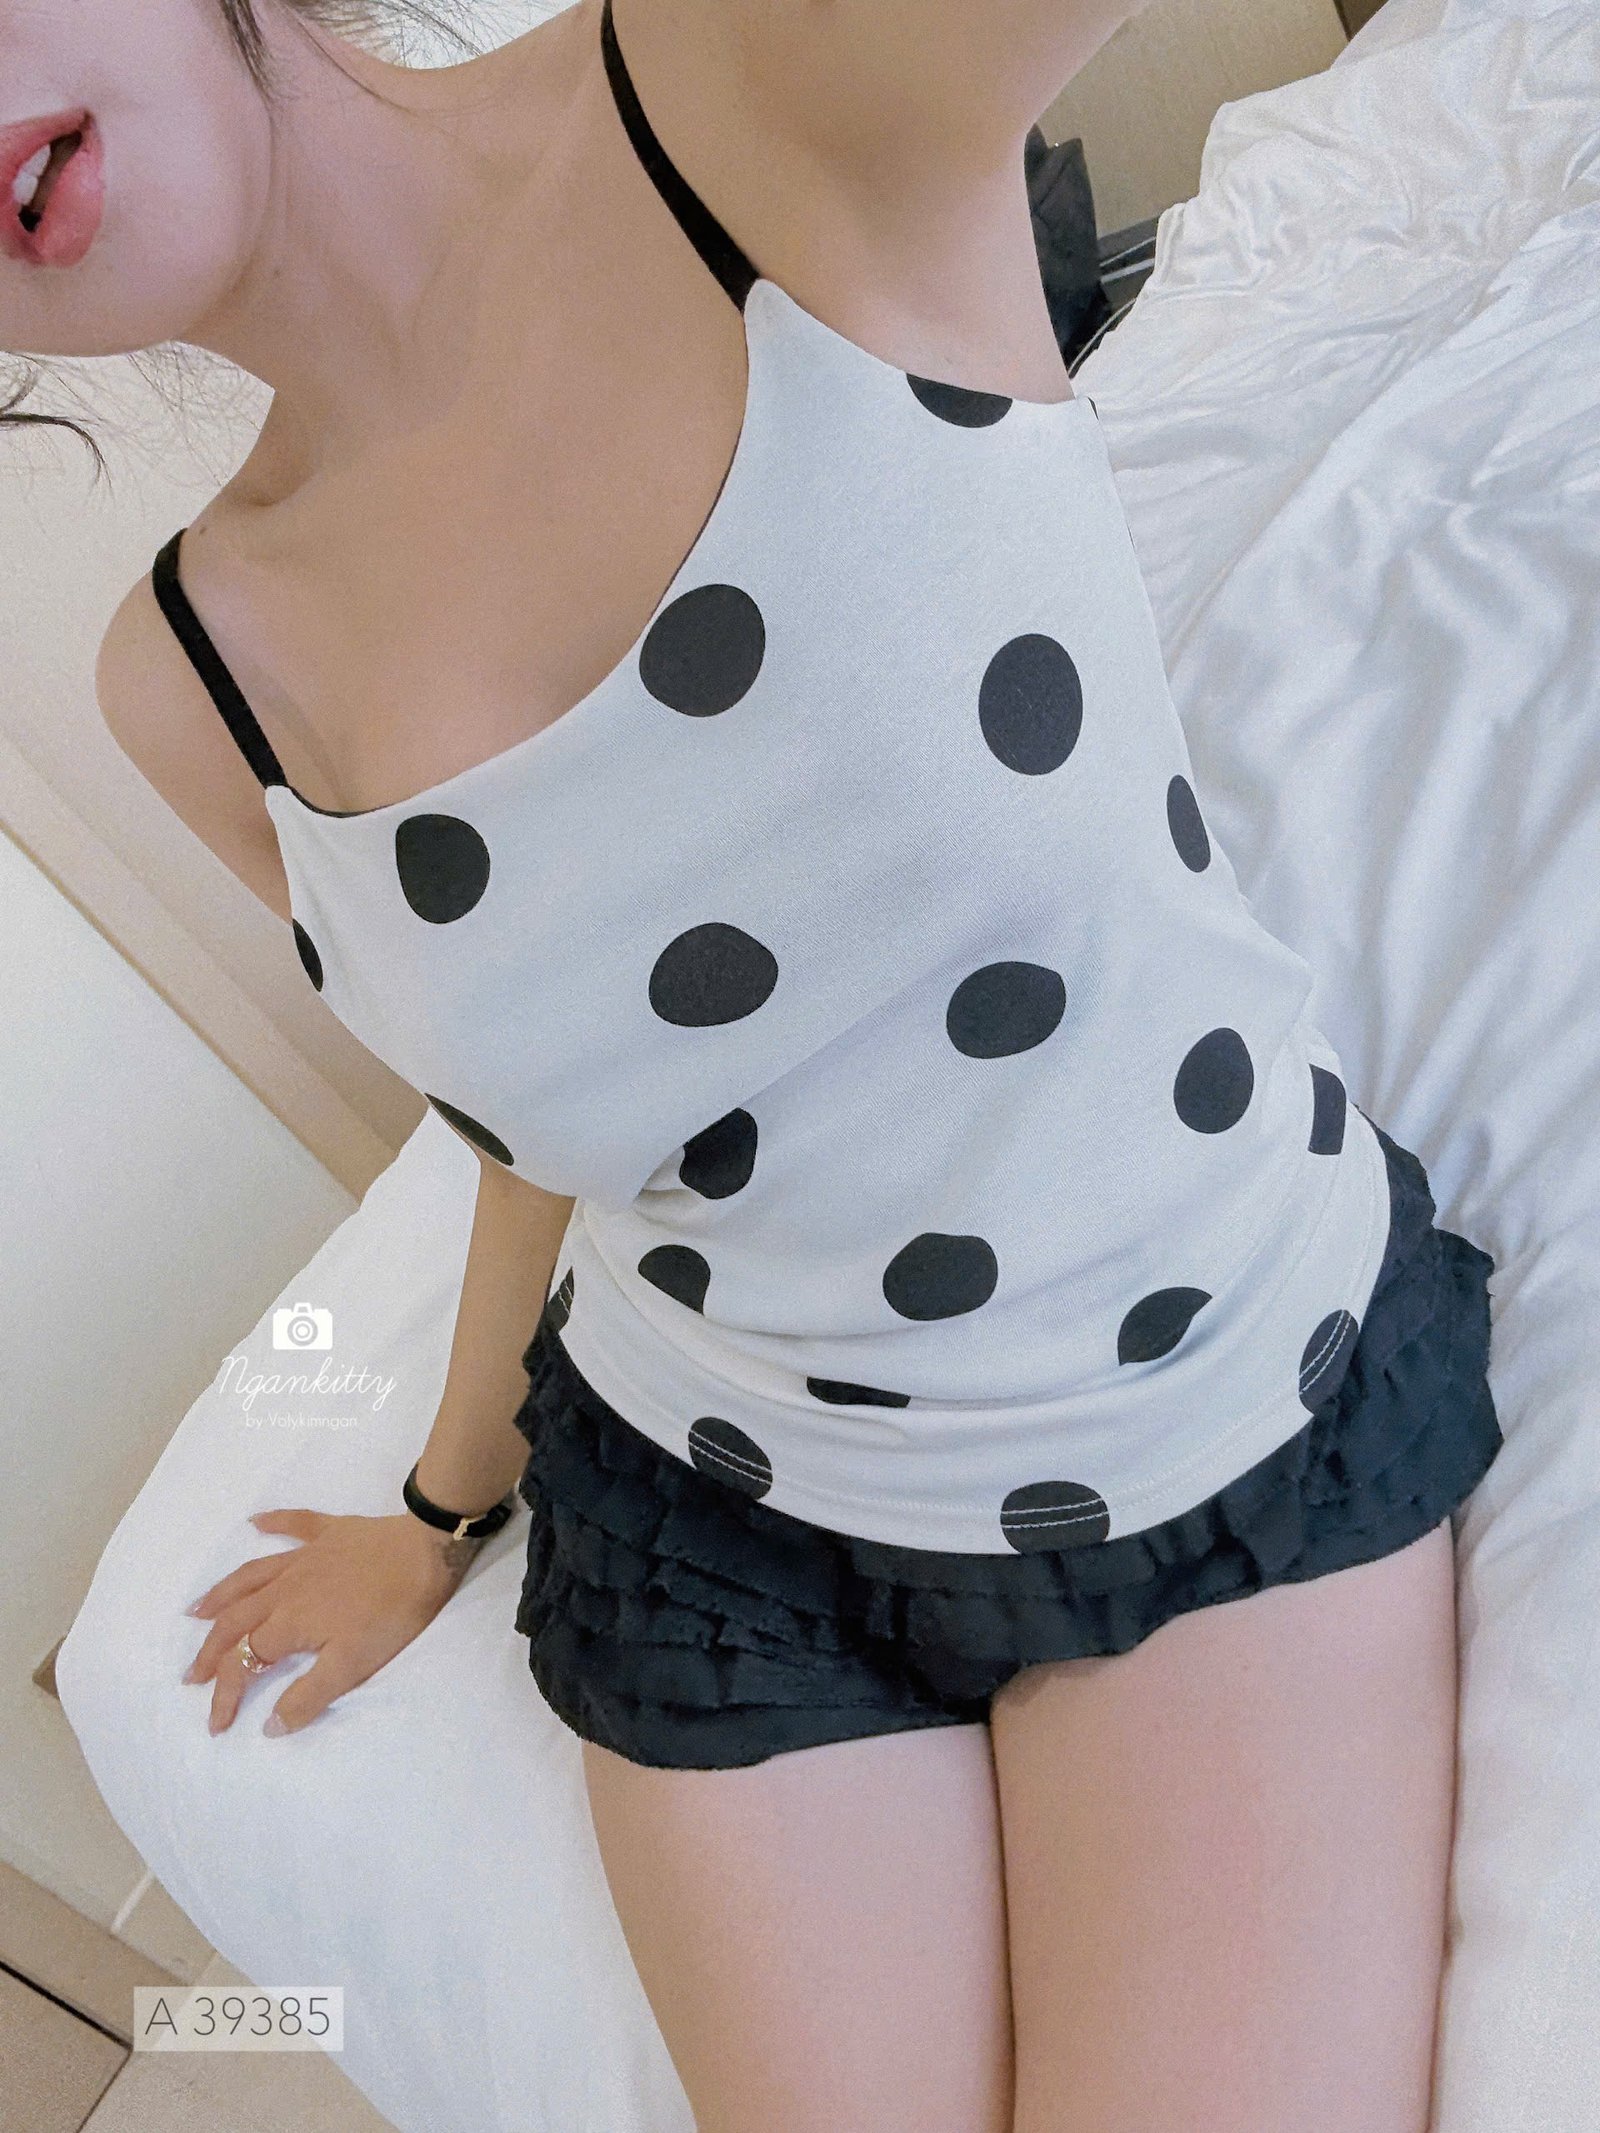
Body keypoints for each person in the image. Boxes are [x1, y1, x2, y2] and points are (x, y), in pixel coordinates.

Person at [12, 0, 1503, 2124]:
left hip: (1195, 1407)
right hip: (715, 1514)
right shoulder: (188, 675)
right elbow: (550, 1118)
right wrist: (439, 1500)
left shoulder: (738, 83)